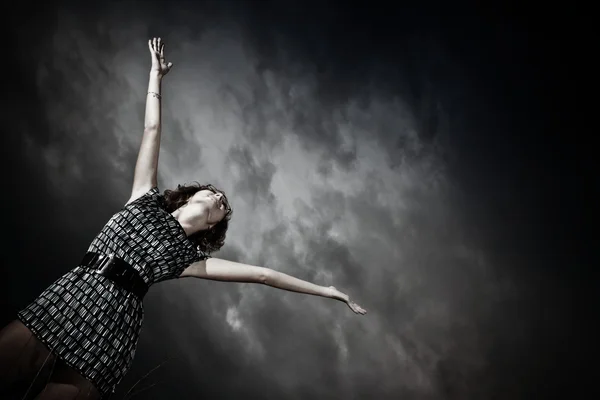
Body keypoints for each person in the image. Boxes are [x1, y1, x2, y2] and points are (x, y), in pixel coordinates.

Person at [0, 38, 366, 400]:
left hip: (114, 326)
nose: (220, 197)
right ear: (192, 195)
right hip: (78, 290)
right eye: (214, 192)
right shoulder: (144, 196)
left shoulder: (190, 261)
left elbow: (263, 275)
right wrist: (155, 78)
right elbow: (152, 131)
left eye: (223, 206)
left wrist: (328, 292)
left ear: (212, 226)